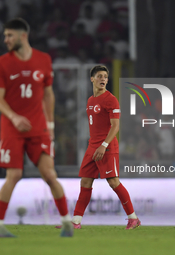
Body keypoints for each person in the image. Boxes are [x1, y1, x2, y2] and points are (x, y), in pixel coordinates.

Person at [0, 18, 73, 238]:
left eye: (9, 35)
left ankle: (67, 223)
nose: (5, 40)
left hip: (38, 128)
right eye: (5, 36)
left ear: (22, 36)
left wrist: (51, 124)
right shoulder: (1, 63)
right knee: (13, 175)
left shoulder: (44, 60)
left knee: (49, 174)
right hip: (12, 128)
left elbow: (48, 94)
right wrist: (14, 117)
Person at [58, 65, 141, 229]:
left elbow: (115, 126)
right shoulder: (90, 101)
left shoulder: (111, 99)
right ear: (92, 79)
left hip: (107, 146)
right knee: (85, 182)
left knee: (113, 182)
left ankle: (133, 218)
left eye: (105, 76)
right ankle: (75, 222)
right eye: (100, 76)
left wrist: (104, 145)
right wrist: (96, 145)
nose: (103, 79)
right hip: (92, 146)